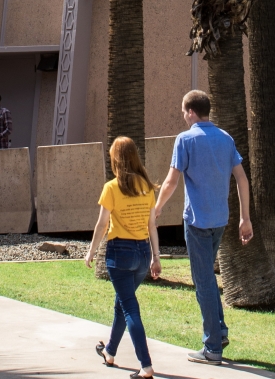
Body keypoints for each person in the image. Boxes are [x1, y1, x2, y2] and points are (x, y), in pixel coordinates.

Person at [154, 90, 254, 365]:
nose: (183, 117)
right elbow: (242, 180)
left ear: (190, 112)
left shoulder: (185, 139)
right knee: (207, 280)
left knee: (203, 282)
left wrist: (157, 208)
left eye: (183, 112)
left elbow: (172, 181)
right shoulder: (225, 138)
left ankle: (212, 348)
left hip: (197, 221)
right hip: (221, 220)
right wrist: (245, 218)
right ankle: (219, 332)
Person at [85, 136, 161, 378]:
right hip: (142, 253)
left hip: (120, 253)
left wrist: (91, 251)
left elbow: (101, 224)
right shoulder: (147, 187)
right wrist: (156, 257)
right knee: (122, 303)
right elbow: (152, 226)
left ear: (115, 159)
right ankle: (109, 352)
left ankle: (146, 366)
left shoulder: (112, 187)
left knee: (130, 308)